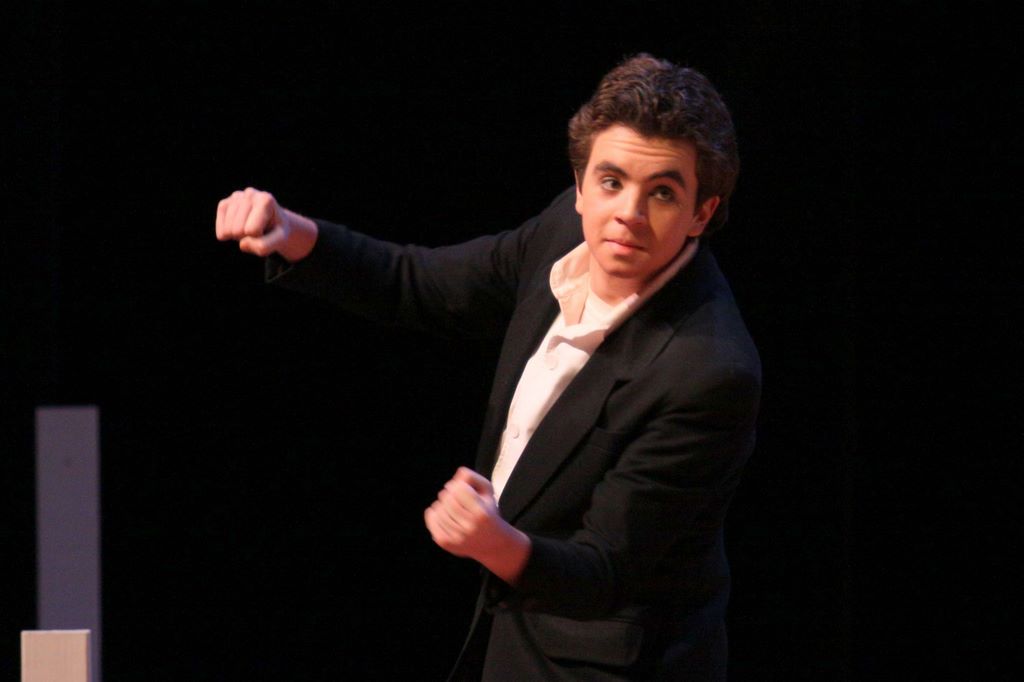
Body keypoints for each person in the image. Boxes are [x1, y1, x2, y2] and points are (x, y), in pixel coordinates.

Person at [215, 53, 760, 681]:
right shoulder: (564, 232)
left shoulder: (708, 372)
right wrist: (288, 231)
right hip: (516, 626)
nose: (628, 214)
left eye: (662, 193)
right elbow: (418, 283)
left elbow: (605, 571)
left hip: (614, 660)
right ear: (581, 185)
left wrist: (495, 542)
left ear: (702, 213)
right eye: (611, 182)